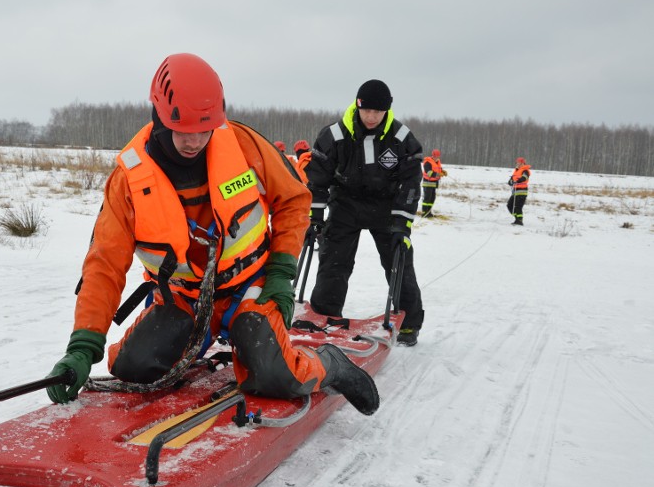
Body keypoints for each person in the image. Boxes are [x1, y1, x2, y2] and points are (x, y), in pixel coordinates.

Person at [46, 53, 380, 415]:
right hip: (183, 299)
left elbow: (294, 199)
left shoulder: (243, 145)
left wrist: (282, 274)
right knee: (134, 368)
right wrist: (82, 347)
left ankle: (329, 363)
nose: (195, 142)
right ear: (159, 115)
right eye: (184, 132)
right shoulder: (129, 180)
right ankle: (194, 342)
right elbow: (104, 265)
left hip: (250, 287)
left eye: (204, 131)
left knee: (273, 376)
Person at [305, 79, 425, 346]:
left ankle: (409, 324)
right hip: (345, 204)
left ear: (387, 111)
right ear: (357, 106)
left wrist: (401, 224)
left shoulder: (402, 138)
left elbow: (410, 183)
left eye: (378, 112)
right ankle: (325, 316)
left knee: (399, 261)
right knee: (333, 263)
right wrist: (314, 217)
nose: (371, 117)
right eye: (366, 110)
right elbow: (317, 179)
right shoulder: (334, 135)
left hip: (386, 207)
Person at [420, 149, 446, 217]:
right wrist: (438, 174)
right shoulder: (427, 162)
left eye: (437, 156)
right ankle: (424, 213)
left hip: (434, 183)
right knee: (427, 198)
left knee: (432, 198)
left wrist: (443, 172)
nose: (436, 158)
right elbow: (429, 172)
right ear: (432, 155)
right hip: (428, 182)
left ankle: (429, 212)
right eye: (435, 156)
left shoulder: (438, 162)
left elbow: (439, 170)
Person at [507, 157, 531, 225]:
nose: (517, 164)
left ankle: (519, 221)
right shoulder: (516, 171)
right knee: (509, 205)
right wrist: (511, 182)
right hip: (515, 191)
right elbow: (510, 181)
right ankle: (517, 218)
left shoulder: (525, 170)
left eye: (519, 162)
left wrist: (517, 181)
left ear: (523, 163)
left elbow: (524, 177)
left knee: (518, 207)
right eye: (517, 162)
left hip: (522, 191)